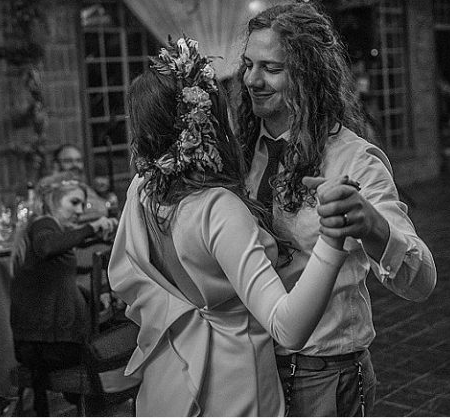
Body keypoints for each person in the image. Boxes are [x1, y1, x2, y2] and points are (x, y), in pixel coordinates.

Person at [108, 36, 351, 416]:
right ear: (207, 121)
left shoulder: (142, 190)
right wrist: (332, 241)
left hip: (169, 380)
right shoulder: (216, 208)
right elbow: (288, 328)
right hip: (232, 389)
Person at [233, 2, 437, 416]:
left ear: (308, 75)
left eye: (271, 68)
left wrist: (374, 227)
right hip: (249, 367)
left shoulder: (354, 159)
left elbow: (422, 282)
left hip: (324, 375)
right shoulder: (240, 151)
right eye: (248, 65)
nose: (252, 79)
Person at [9, 171, 117, 416]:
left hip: (41, 345)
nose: (79, 211)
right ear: (52, 201)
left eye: (83, 205)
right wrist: (92, 227)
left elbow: (54, 281)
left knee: (110, 337)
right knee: (114, 346)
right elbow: (47, 247)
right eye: (74, 202)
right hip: (45, 347)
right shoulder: (43, 224)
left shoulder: (51, 228)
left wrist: (91, 297)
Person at [52, 144, 117, 218]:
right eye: (68, 161)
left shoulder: (82, 186)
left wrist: (106, 198)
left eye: (79, 161)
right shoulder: (54, 191)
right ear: (56, 165)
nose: (75, 165)